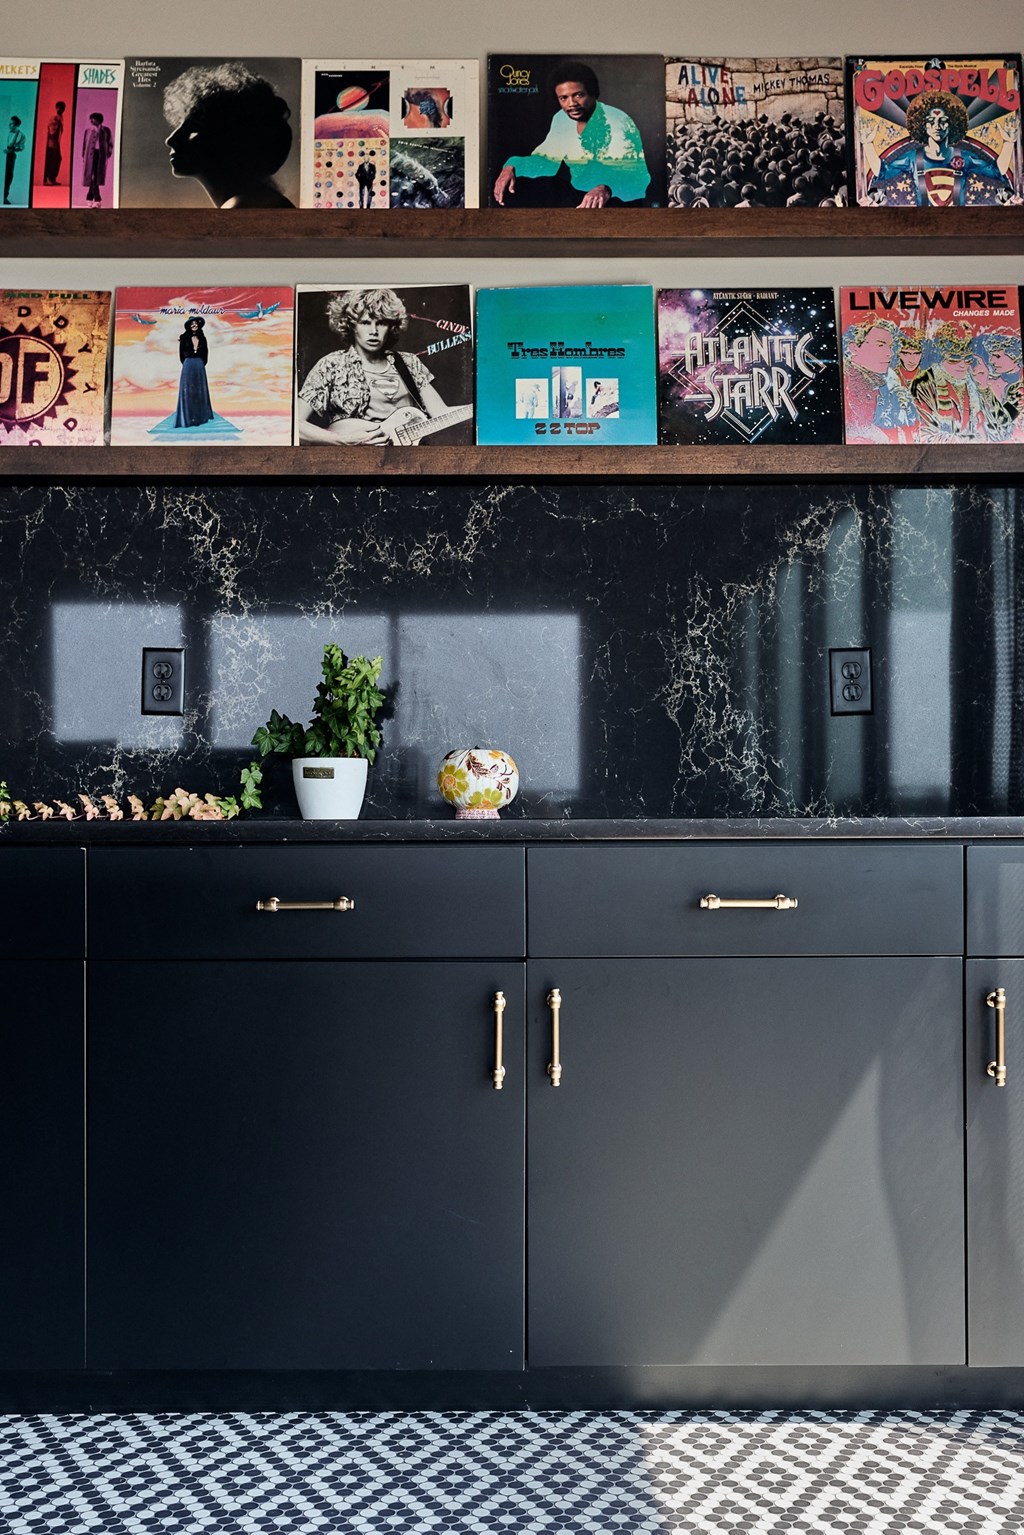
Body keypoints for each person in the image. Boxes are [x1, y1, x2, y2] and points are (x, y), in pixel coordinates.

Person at [296, 288, 452, 445]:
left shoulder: (409, 363)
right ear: (350, 326)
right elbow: (295, 423)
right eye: (365, 322)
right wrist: (340, 440)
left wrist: (476, 407)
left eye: (381, 323)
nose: (374, 331)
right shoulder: (331, 365)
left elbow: (441, 413)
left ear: (391, 326)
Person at [493, 61, 650, 208]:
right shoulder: (561, 119)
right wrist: (512, 166)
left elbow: (637, 179)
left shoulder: (619, 121)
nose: (571, 104)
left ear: (593, 94)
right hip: (579, 198)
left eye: (579, 95)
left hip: (618, 201)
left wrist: (606, 188)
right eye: (564, 98)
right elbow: (546, 162)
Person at [163, 61, 294, 208]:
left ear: (233, 138)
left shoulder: (243, 206)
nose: (171, 140)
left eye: (195, 127)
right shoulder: (259, 200)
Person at [862, 89, 1018, 206]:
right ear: (923, 126)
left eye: (942, 121)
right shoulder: (912, 158)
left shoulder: (964, 157)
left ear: (952, 125)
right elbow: (882, 172)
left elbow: (997, 171)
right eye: (931, 121)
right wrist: (868, 144)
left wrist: (1009, 142)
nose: (937, 126)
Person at [841, 317, 917, 442]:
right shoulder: (847, 383)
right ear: (854, 348)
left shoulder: (890, 380)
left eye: (890, 346)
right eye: (880, 345)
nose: (890, 353)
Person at [173, 315, 215, 429]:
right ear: (189, 326)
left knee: (199, 391)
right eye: (192, 324)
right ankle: (187, 419)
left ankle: (200, 418)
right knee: (188, 391)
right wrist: (189, 362)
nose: (194, 325)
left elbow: (206, 354)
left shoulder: (203, 338)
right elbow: (181, 355)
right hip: (188, 365)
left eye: (196, 323)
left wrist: (199, 363)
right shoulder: (184, 338)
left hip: (199, 366)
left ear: (199, 325)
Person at [81, 112, 113, 205]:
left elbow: (110, 143)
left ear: (98, 120)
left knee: (96, 176)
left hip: (100, 155)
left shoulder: (106, 130)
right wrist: (84, 155)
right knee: (91, 176)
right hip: (90, 156)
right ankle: (97, 199)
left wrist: (107, 154)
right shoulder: (88, 130)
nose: (91, 120)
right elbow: (84, 144)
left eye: (93, 119)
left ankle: (90, 197)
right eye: (90, 119)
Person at [4, 115, 25, 205]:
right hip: (2, 153)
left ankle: (4, 196)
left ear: (16, 125)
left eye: (11, 124)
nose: (9, 125)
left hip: (10, 155)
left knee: (8, 175)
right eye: (9, 124)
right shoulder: (5, 132)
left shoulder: (21, 135)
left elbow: (21, 147)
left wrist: (12, 150)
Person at [43, 100, 65, 185]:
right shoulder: (55, 117)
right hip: (52, 143)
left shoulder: (61, 117)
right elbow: (51, 130)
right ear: (56, 108)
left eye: (62, 108)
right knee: (53, 160)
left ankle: (51, 178)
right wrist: (54, 142)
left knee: (56, 159)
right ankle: (49, 179)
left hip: (56, 142)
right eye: (59, 107)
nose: (60, 109)